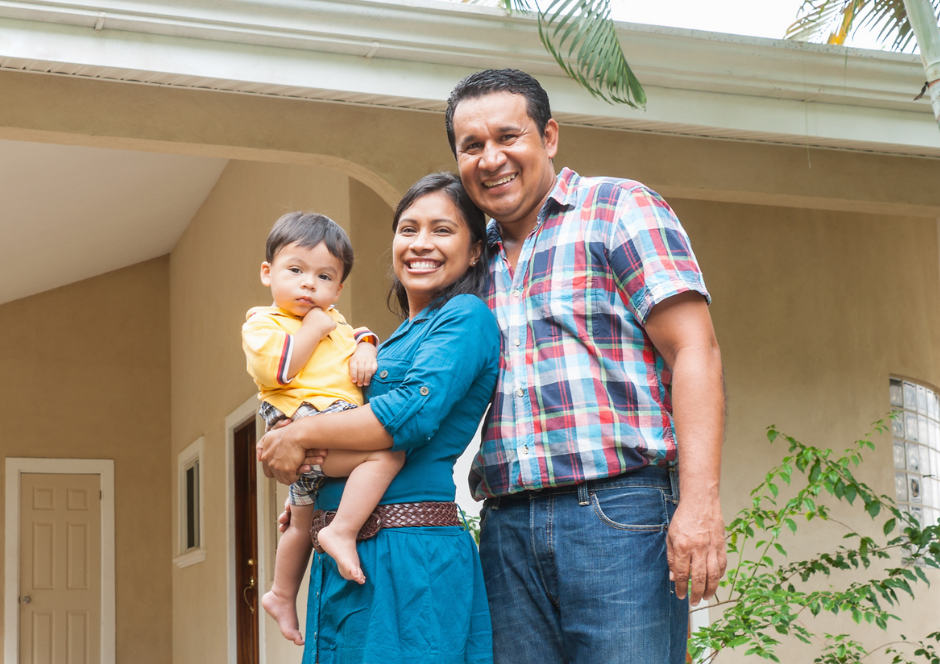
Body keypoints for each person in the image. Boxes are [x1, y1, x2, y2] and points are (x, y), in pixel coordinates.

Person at [445, 69, 727, 664]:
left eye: (507, 136)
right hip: (504, 528)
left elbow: (694, 350)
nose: (491, 158)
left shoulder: (617, 208)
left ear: (548, 136)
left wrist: (699, 505)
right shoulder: (472, 257)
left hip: (619, 518)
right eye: (471, 146)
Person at [256, 173, 499, 664]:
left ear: (475, 250)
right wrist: (314, 483)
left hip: (409, 558)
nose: (420, 244)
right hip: (347, 555)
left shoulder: (465, 316)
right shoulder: (387, 341)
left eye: (442, 230)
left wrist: (300, 439)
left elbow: (409, 416)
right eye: (408, 229)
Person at [242, 212, 404, 645]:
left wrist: (367, 349)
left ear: (338, 289)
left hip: (327, 423)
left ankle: (280, 593)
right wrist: (314, 328)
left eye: (324, 276)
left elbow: (361, 334)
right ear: (268, 273)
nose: (309, 284)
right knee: (387, 453)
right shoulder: (263, 323)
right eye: (295, 270)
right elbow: (280, 371)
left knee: (299, 522)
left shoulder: (337, 323)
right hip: (301, 420)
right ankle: (342, 531)